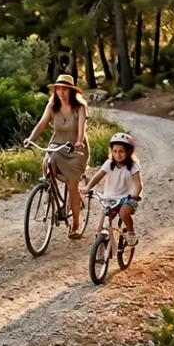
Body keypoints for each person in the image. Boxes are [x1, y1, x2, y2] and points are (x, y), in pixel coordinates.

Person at [23, 74, 90, 238]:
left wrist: (79, 141)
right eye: (58, 89)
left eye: (65, 89)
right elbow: (42, 125)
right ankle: (49, 190)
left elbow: (81, 129)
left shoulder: (80, 107)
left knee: (72, 189)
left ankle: (75, 226)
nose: (61, 92)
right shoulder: (52, 106)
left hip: (76, 150)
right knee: (47, 162)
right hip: (57, 144)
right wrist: (31, 139)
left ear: (71, 91)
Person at [83, 132, 143, 245]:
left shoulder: (133, 167)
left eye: (121, 151)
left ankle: (131, 232)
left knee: (123, 212)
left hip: (127, 199)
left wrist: (134, 195)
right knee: (99, 229)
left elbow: (138, 185)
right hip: (110, 200)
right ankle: (100, 255)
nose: (117, 154)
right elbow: (97, 177)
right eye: (114, 151)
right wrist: (87, 187)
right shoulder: (109, 163)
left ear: (128, 152)